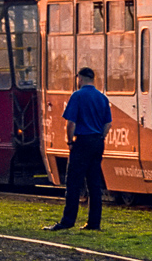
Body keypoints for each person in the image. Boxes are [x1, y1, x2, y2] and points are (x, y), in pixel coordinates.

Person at [46, 66, 112, 231]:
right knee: (94, 183)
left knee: (74, 183)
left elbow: (71, 123)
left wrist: (70, 141)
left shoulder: (77, 96)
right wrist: (101, 137)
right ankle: (94, 223)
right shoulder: (102, 97)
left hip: (82, 141)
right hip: (97, 142)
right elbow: (108, 123)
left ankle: (68, 221)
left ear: (80, 79)